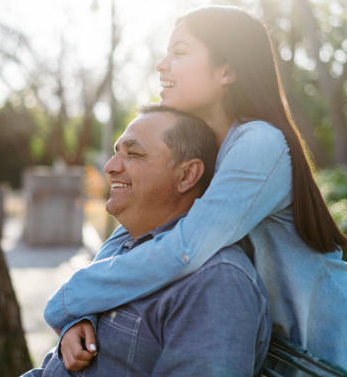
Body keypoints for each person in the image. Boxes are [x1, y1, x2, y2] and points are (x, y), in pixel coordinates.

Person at [44, 6, 347, 376]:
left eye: (179, 52)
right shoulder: (207, 143)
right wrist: (79, 312)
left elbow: (184, 249)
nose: (162, 65)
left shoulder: (259, 143)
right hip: (286, 359)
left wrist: (71, 297)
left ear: (227, 70)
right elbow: (133, 235)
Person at [22, 106, 271, 376]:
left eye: (134, 154)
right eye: (116, 152)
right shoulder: (124, 247)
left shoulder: (216, 282)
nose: (110, 166)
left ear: (186, 175)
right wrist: (82, 315)